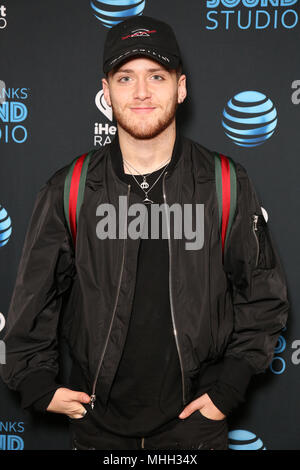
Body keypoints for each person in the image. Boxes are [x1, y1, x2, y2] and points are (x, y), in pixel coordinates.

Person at [0, 15, 289, 451]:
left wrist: (229, 385)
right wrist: (36, 383)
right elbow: (33, 302)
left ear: (181, 87)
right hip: (97, 430)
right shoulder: (71, 187)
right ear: (106, 91)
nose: (140, 92)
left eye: (156, 76)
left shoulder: (226, 182)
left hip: (196, 428)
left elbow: (263, 297)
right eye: (125, 77)